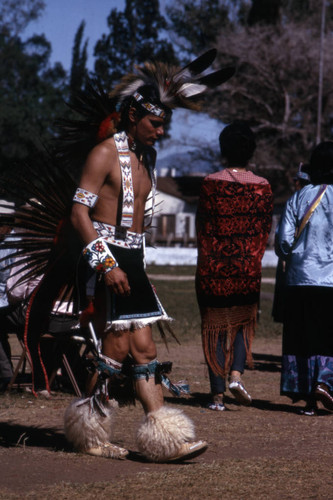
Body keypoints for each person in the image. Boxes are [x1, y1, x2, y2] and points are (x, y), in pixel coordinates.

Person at [63, 52, 235, 461]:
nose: (161, 132)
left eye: (164, 124)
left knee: (142, 353)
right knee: (120, 349)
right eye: (155, 123)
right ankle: (95, 433)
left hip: (132, 261)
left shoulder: (148, 158)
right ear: (132, 117)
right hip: (106, 259)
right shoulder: (105, 153)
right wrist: (107, 266)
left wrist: (132, 265)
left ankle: (160, 436)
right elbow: (78, 213)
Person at [195, 121, 273, 411]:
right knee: (241, 323)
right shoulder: (263, 187)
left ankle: (216, 397)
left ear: (223, 149)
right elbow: (264, 232)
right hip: (247, 268)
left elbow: (202, 229)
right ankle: (236, 375)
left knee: (214, 327)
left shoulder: (209, 184)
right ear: (251, 151)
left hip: (213, 268)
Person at [275, 141, 333, 416]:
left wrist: (294, 253)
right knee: (327, 335)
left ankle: (309, 398)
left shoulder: (298, 198)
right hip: (330, 280)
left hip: (299, 278)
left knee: (303, 338)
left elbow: (283, 242)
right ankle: (326, 382)